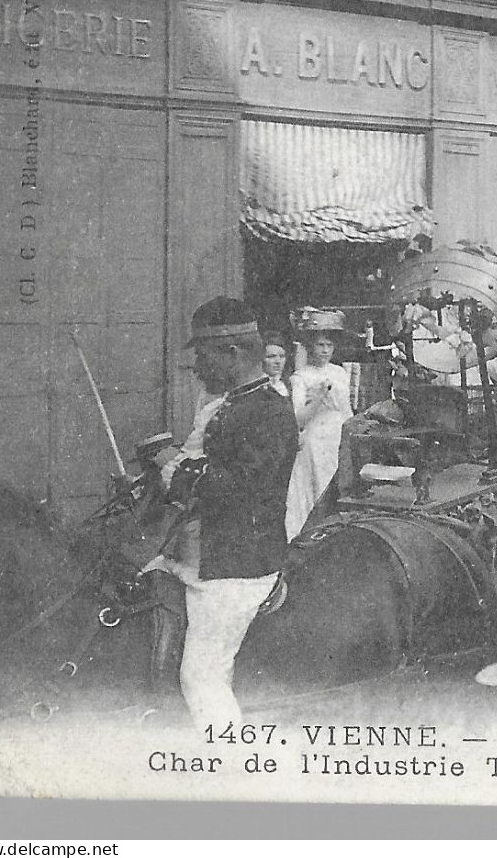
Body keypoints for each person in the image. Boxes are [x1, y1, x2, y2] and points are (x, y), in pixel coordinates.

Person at [148, 297, 298, 728]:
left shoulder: (267, 410)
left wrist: (173, 468)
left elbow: (233, 489)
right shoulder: (235, 403)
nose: (197, 366)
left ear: (232, 353)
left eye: (204, 355)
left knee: (202, 677)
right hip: (211, 551)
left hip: (239, 565)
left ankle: (232, 766)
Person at [285, 311, 354, 542]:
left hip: (337, 437)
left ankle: (335, 539)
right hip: (315, 440)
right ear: (310, 347)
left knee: (339, 486)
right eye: (320, 345)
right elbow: (298, 420)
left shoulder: (341, 373)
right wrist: (319, 397)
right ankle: (307, 539)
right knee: (316, 489)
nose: (325, 350)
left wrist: (351, 435)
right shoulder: (300, 377)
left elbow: (346, 411)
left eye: (329, 345)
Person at [261, 332, 292, 398]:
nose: (278, 361)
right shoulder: (258, 387)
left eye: (282, 356)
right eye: (271, 356)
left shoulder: (289, 385)